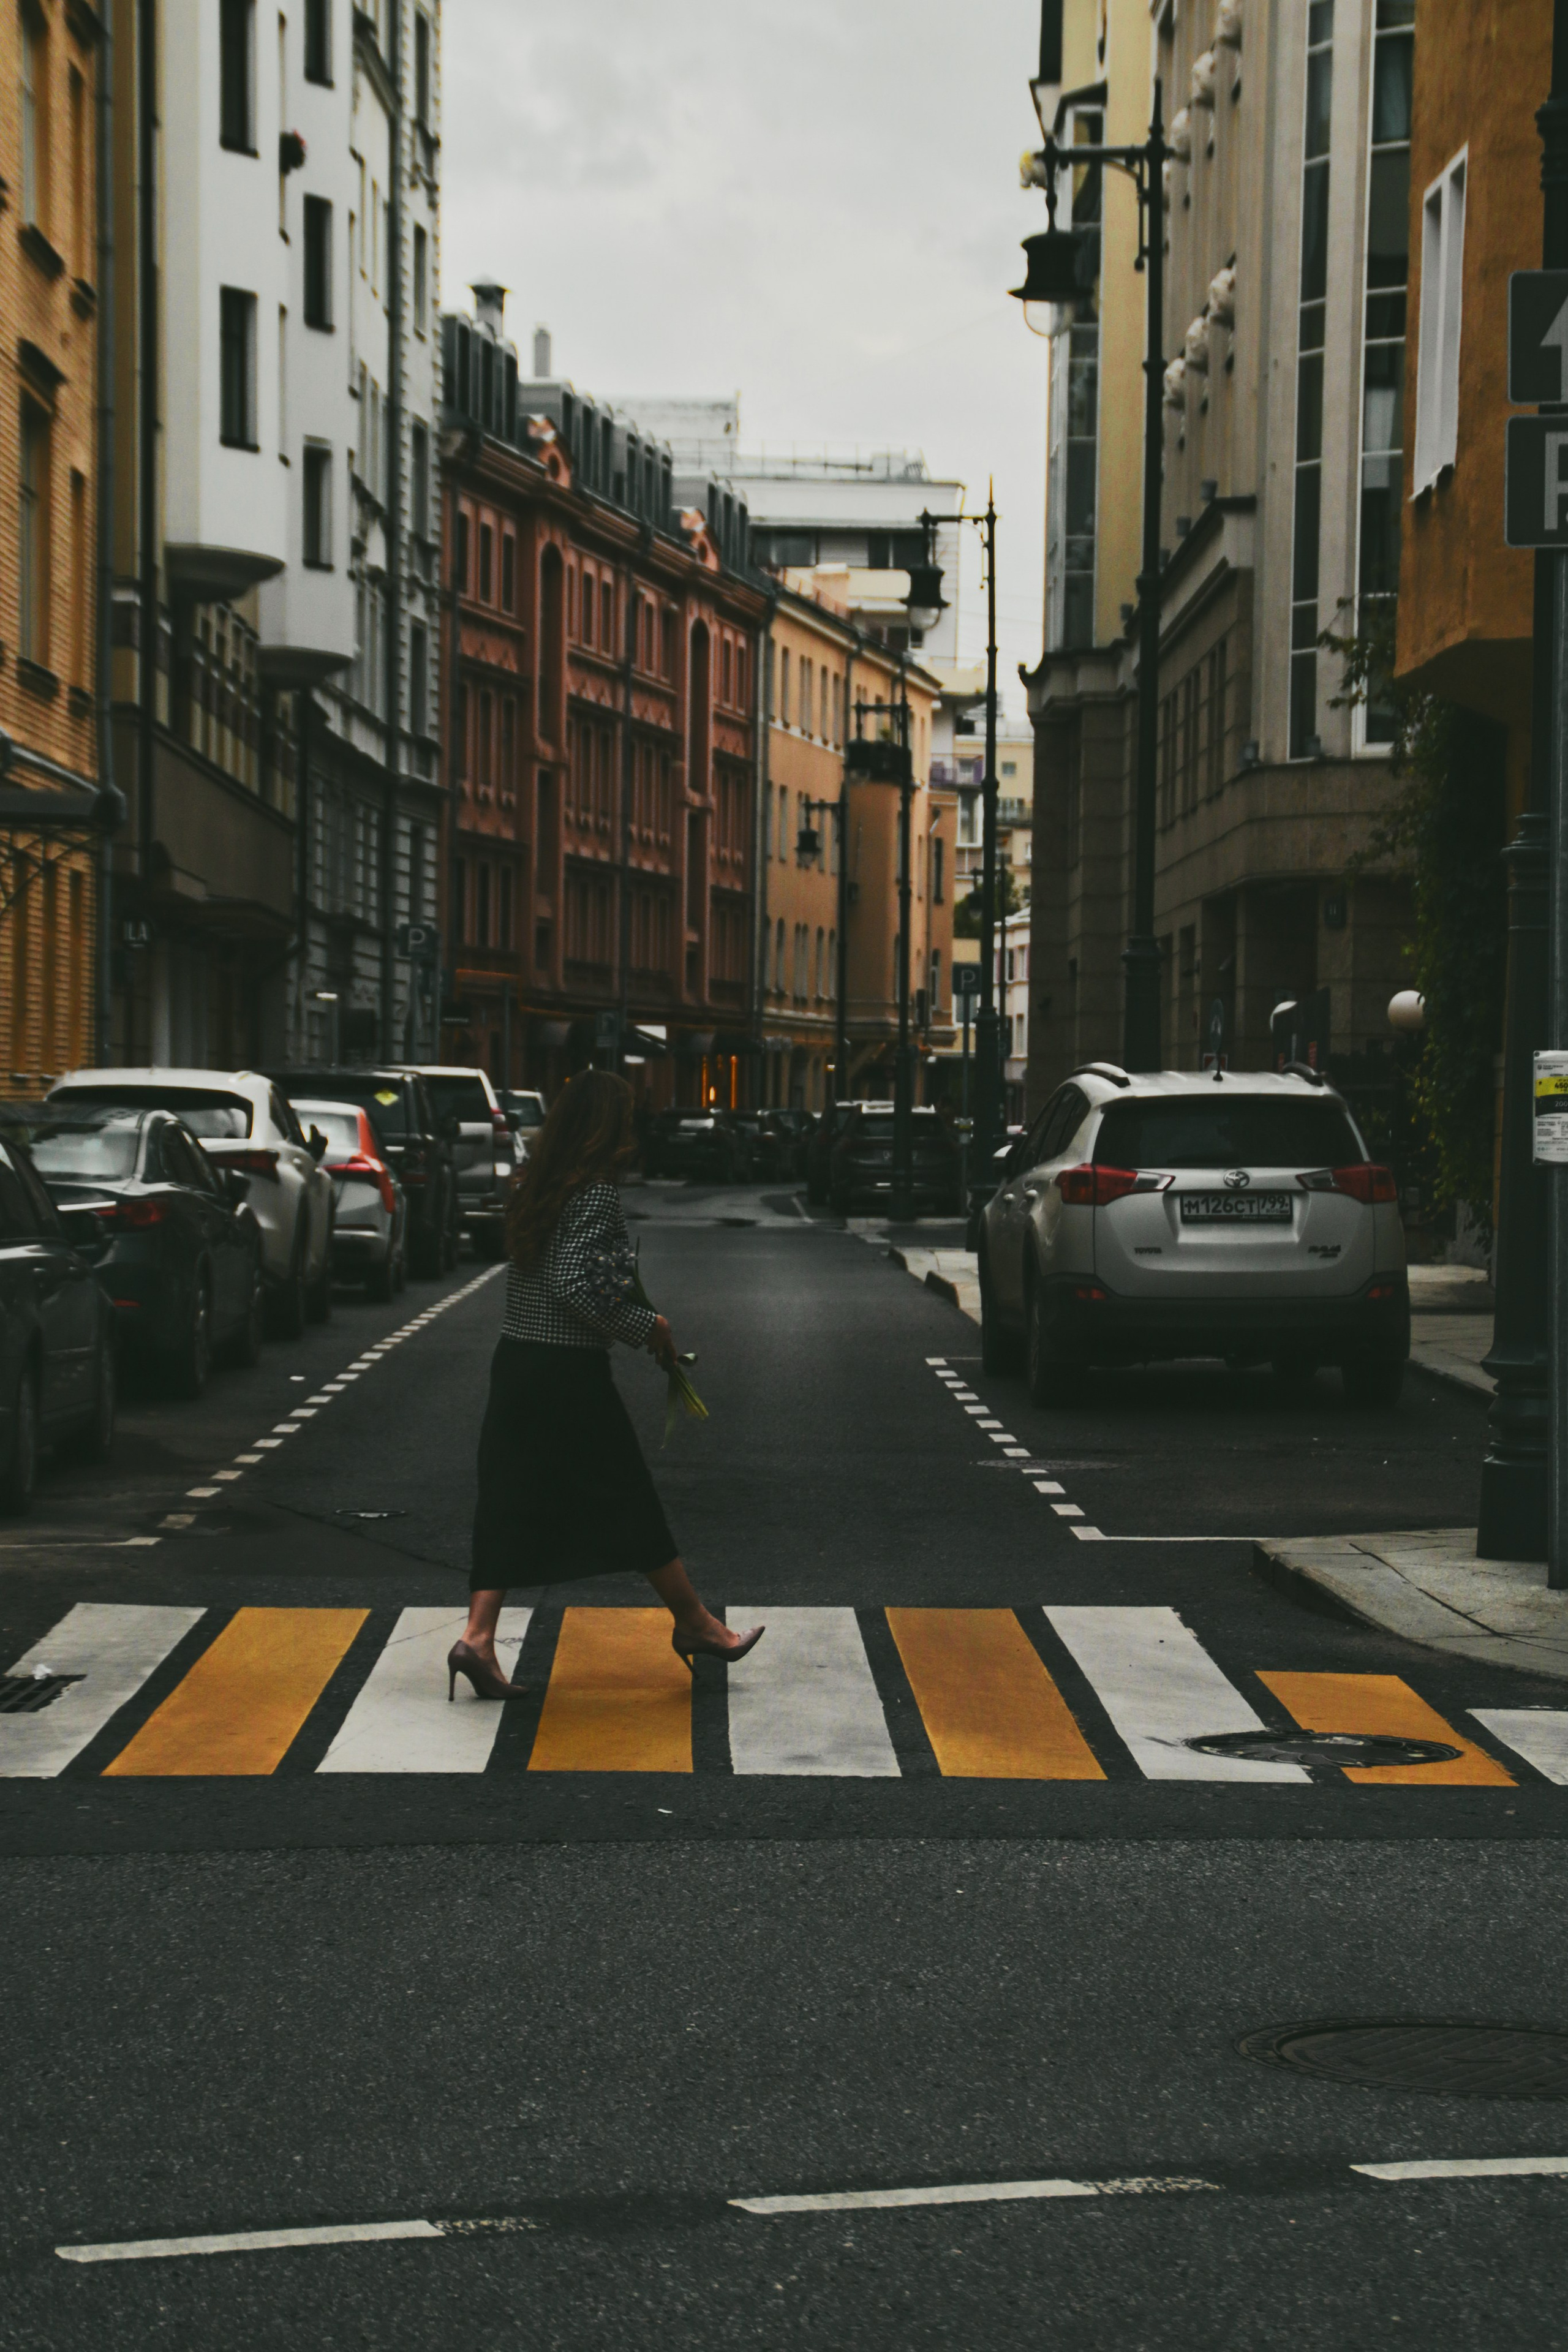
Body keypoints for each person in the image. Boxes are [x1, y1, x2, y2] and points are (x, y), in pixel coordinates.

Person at [449, 1068, 763, 1700]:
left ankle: (477, 1641)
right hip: (566, 1372)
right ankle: (697, 1625)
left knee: (509, 1497)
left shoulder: (535, 1184)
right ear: (607, 1129)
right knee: (627, 1495)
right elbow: (574, 1285)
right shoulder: (593, 1194)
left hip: (517, 1362)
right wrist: (648, 1324)